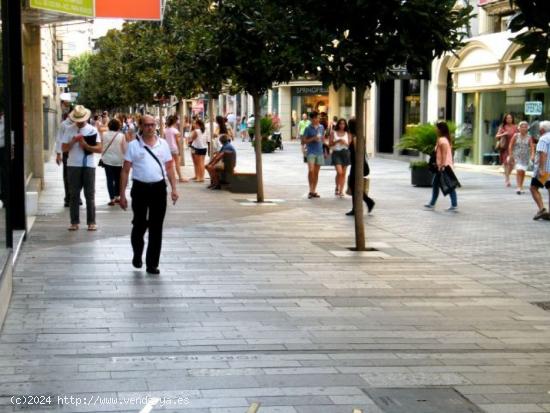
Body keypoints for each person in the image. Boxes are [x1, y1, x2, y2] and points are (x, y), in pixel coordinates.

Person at [119, 114, 179, 275]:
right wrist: (122, 195)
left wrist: (174, 189)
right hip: (139, 188)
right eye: (147, 125)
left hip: (159, 188)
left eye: (153, 125)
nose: (150, 128)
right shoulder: (133, 146)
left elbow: (169, 167)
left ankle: (152, 264)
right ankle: (138, 254)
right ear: (141, 126)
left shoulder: (163, 144)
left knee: (156, 227)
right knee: (139, 224)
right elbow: (125, 170)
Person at [61, 105, 102, 231]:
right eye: (77, 120)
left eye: (81, 120)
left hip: (89, 165)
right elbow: (64, 148)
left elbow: (99, 149)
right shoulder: (69, 129)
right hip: (73, 165)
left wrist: (85, 145)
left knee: (90, 194)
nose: (79, 123)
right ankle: (74, 222)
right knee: (74, 194)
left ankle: (91, 222)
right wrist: (73, 141)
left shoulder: (92, 130)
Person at [424, 121, 458, 211]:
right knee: (437, 184)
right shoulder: (446, 139)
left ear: (440, 129)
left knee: (449, 185)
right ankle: (432, 203)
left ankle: (453, 205)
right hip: (445, 165)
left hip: (443, 166)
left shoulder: (441, 140)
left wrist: (442, 166)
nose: (435, 129)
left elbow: (443, 154)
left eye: (436, 128)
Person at [346, 118, 374, 216]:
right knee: (354, 186)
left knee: (354, 186)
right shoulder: (359, 136)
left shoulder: (356, 138)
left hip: (358, 166)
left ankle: (368, 202)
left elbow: (358, 153)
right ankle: (359, 206)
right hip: (357, 165)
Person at [100, 118, 127, 206]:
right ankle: (117, 197)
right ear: (118, 127)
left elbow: (102, 146)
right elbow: (124, 149)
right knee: (118, 179)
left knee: (109, 179)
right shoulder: (121, 136)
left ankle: (111, 199)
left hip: (107, 160)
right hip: (118, 161)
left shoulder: (104, 134)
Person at [529, 121, 550, 221]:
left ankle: (542, 209)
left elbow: (543, 154)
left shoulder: (543, 138)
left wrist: (541, 169)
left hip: (545, 171)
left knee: (533, 188)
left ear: (542, 130)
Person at [302, 111, 325, 199]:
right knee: (311, 170)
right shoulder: (308, 128)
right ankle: (310, 189)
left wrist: (324, 145)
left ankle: (314, 191)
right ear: (311, 119)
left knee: (316, 172)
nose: (317, 119)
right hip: (311, 152)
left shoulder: (321, 127)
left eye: (318, 117)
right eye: (315, 118)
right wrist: (313, 138)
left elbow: (322, 138)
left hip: (319, 152)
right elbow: (303, 141)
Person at [508, 120, 535, 195]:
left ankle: (521, 186)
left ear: (527, 128)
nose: (523, 128)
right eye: (522, 127)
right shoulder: (515, 136)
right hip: (517, 156)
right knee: (519, 170)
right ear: (519, 128)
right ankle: (518, 187)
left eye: (525, 127)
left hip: (526, 157)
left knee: (523, 171)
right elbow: (510, 145)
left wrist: (532, 155)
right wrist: (510, 155)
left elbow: (532, 147)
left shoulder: (529, 137)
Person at [55, 112, 73, 207]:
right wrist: (58, 154)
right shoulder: (64, 125)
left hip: (78, 153)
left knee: (78, 176)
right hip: (67, 153)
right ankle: (68, 197)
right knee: (67, 175)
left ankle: (76, 196)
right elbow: (59, 139)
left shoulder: (81, 124)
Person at [329, 118, 351, 197]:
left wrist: (345, 142)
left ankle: (341, 190)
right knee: (339, 172)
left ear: (345, 125)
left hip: (345, 153)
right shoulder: (333, 133)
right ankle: (337, 186)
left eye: (344, 124)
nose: (342, 125)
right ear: (338, 124)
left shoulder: (348, 133)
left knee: (343, 173)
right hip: (336, 153)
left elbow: (350, 146)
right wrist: (337, 141)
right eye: (341, 123)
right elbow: (330, 144)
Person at [164, 115, 187, 183]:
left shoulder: (165, 130)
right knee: (177, 163)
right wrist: (180, 149)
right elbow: (177, 141)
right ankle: (180, 177)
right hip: (174, 148)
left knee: (170, 164)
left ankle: (172, 176)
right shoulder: (175, 130)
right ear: (174, 122)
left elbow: (164, 139)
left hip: (168, 148)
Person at [495, 113, 517, 187]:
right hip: (505, 148)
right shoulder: (503, 127)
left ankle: (507, 175)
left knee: (512, 164)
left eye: (510, 118)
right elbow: (497, 136)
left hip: (514, 148)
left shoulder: (515, 127)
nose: (509, 119)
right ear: (505, 119)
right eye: (507, 118)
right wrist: (503, 134)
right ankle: (507, 179)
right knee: (506, 164)